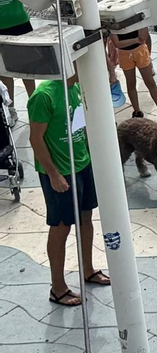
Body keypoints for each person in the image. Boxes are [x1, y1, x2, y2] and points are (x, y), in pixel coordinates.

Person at [31, 74, 107, 307]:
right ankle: (58, 287)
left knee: (86, 217)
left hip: (82, 164)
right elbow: (36, 139)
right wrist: (53, 174)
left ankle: (88, 269)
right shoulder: (43, 95)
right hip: (59, 171)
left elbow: (79, 126)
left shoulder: (76, 87)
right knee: (61, 226)